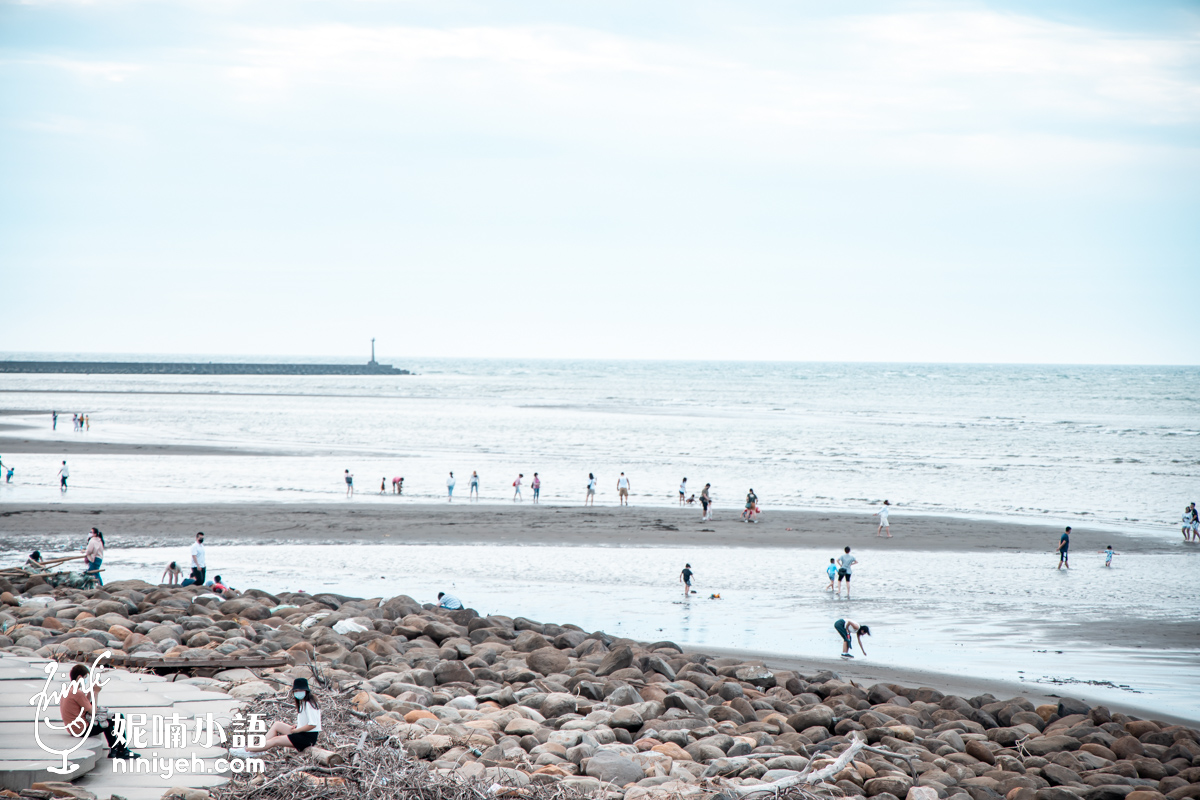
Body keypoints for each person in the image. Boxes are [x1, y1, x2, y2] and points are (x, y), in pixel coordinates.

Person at [60, 662, 137, 759]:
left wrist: (92, 689)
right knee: (118, 718)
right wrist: (96, 693)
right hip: (82, 729)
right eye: (85, 678)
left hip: (73, 729)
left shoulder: (69, 690)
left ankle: (115, 750)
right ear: (80, 677)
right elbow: (93, 712)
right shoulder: (77, 693)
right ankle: (122, 750)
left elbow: (84, 703)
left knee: (108, 721)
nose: (86, 680)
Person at [229, 678, 320, 758]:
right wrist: (298, 726)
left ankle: (248, 750)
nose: (298, 692)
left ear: (306, 691)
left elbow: (313, 724)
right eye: (296, 691)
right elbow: (309, 721)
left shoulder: (309, 704)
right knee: (277, 725)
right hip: (302, 733)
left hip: (307, 738)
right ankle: (258, 747)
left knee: (275, 740)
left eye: (300, 690)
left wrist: (297, 730)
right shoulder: (304, 702)